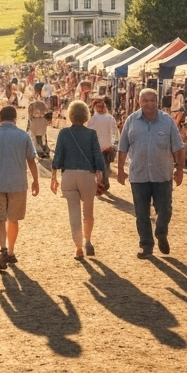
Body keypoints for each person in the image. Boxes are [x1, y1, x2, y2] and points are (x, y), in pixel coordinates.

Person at [117, 88, 185, 258]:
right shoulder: (131, 121)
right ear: (139, 102)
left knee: (165, 209)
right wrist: (119, 170)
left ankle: (161, 232)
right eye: (145, 100)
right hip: (138, 175)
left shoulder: (167, 121)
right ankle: (146, 245)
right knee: (141, 213)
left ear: (158, 101)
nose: (149, 104)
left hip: (162, 174)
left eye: (153, 100)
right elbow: (122, 147)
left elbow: (179, 147)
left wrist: (180, 170)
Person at [0, 105, 41, 270]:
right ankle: (11, 251)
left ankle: (3, 248)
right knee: (13, 219)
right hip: (17, 184)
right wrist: (35, 180)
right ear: (15, 119)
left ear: (0, 118)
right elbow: (31, 160)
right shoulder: (23, 136)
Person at [52, 100, 107, 259]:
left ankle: (78, 247)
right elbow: (98, 156)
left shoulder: (63, 133)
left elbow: (58, 156)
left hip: (68, 175)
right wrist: (102, 173)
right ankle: (88, 241)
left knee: (73, 213)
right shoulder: (91, 134)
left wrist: (54, 176)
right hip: (87, 175)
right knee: (88, 212)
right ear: (86, 116)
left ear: (70, 115)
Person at [87, 97, 119, 195]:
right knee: (104, 167)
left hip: (98, 147)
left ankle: (101, 184)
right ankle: (104, 183)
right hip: (106, 147)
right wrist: (113, 144)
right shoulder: (109, 118)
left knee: (97, 168)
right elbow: (115, 133)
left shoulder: (93, 119)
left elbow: (88, 131)